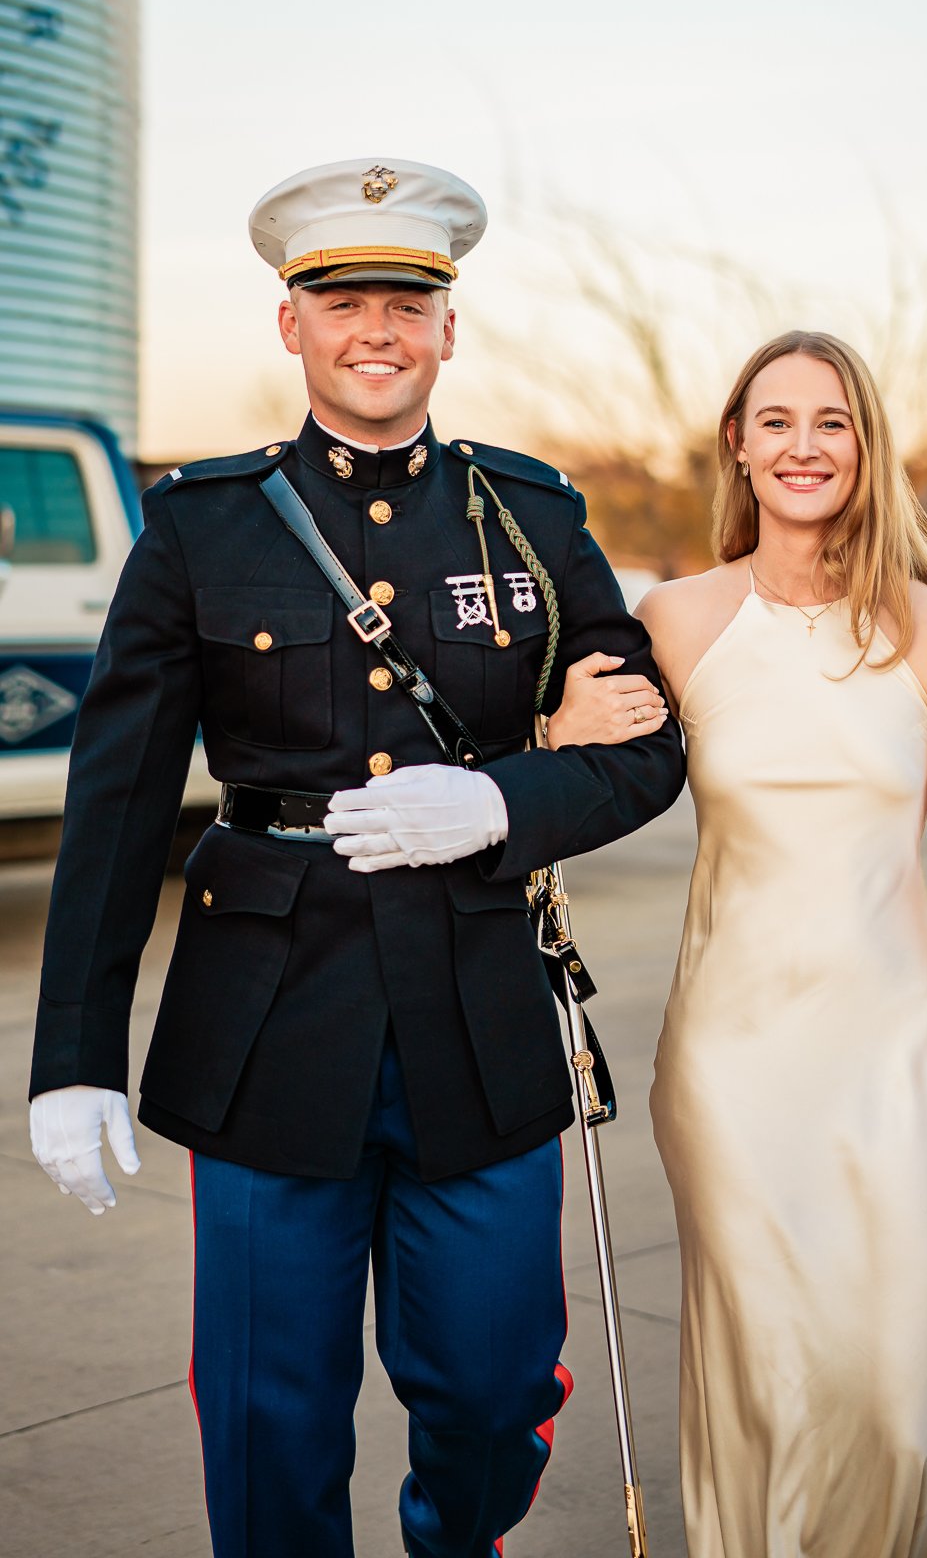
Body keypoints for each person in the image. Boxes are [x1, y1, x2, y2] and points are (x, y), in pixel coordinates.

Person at [27, 156, 684, 1558]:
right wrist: (73, 1049)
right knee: (270, 1416)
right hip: (266, 1022)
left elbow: (647, 747)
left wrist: (500, 803)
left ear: (450, 327)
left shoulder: (531, 515)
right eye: (342, 303)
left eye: (408, 303)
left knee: (495, 1391)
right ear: (292, 326)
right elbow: (120, 803)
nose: (375, 331)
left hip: (480, 1006)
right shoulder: (200, 523)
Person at [547, 330, 927, 1558]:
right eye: (774, 420)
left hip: (894, 1060)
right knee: (773, 1382)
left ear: (865, 445)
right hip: (732, 1069)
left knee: (897, 1398)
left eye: (830, 421)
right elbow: (567, 775)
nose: (802, 446)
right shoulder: (673, 620)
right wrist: (565, 716)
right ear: (736, 442)